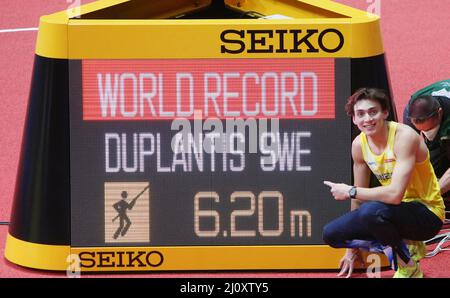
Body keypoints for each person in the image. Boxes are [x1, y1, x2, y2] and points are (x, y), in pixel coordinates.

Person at [322, 87, 445, 278]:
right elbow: (358, 198)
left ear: (385, 113)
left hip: (427, 213)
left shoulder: (404, 137)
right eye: (360, 114)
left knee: (372, 211)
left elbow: (394, 195)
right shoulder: (358, 145)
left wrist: (351, 191)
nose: (367, 119)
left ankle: (408, 266)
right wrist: (351, 250)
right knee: (331, 234)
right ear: (354, 119)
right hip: (394, 212)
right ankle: (405, 242)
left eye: (373, 112)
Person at [403, 80, 450, 208]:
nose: (426, 133)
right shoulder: (410, 111)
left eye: (429, 129)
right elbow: (407, 154)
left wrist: (431, 195)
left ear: (439, 113)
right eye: (421, 130)